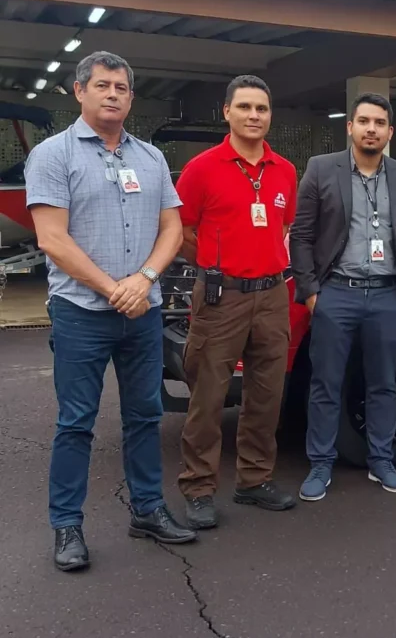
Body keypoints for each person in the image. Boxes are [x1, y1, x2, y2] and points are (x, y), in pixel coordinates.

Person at [25, 51, 196, 572]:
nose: (113, 94)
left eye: (121, 87)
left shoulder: (150, 159)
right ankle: (67, 526)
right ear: (79, 92)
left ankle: (147, 509)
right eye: (102, 86)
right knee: (76, 422)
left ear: (131, 97)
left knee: (145, 415)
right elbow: (51, 238)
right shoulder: (54, 156)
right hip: (81, 313)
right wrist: (111, 287)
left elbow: (173, 229)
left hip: (141, 311)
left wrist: (142, 280)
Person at [174, 75, 298, 528]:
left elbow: (282, 228)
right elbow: (182, 232)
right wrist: (212, 265)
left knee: (266, 395)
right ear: (226, 112)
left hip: (271, 295)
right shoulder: (202, 169)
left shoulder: (285, 170)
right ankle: (199, 487)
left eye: (261, 109)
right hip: (220, 297)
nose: (253, 116)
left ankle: (254, 480)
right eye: (244, 107)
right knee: (208, 396)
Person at [290, 93, 396, 498]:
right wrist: (312, 293)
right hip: (337, 294)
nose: (371, 129)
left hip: (386, 296)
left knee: (383, 384)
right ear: (349, 126)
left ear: (389, 131)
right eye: (363, 121)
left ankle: (381, 461)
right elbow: (302, 235)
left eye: (379, 123)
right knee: (326, 384)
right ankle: (320, 465)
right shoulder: (321, 169)